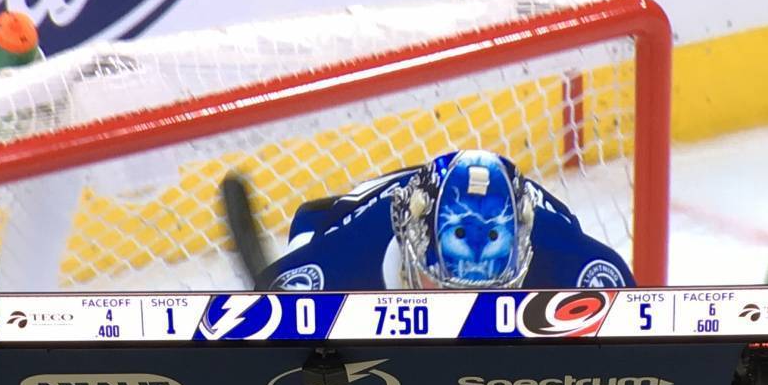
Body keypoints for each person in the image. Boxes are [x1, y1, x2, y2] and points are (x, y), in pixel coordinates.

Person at [255, 149, 632, 292]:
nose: (466, 311)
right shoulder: (339, 264)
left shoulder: (577, 270)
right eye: (446, 288)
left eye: (491, 290)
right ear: (409, 245)